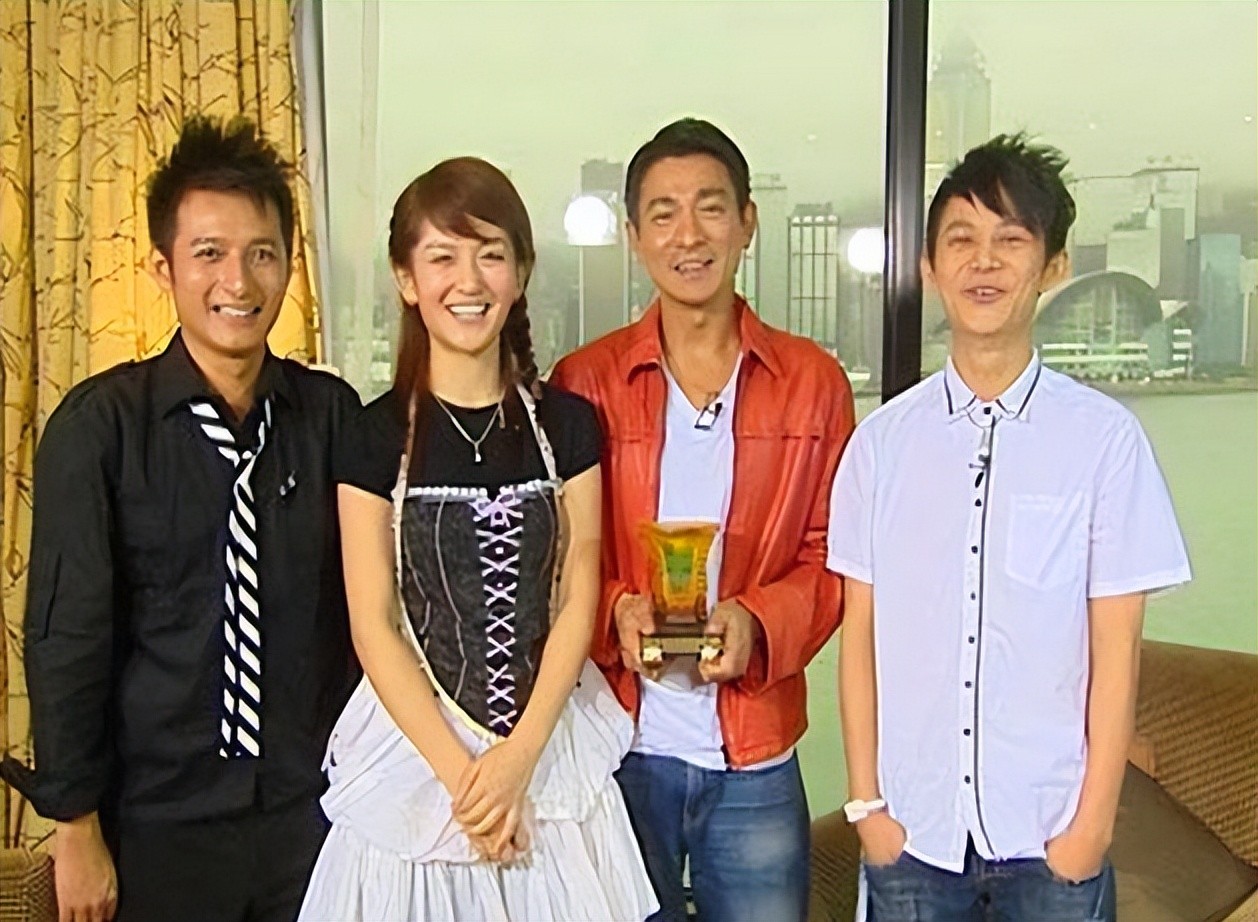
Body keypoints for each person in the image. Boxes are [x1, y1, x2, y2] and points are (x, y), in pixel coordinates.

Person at [0, 115, 373, 922]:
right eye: (209, 253)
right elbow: (67, 641)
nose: (238, 281)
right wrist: (75, 827)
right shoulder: (101, 428)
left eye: (261, 253)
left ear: (288, 264)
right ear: (163, 267)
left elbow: (377, 609)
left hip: (314, 819)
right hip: (154, 827)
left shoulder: (331, 417)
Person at [827, 133, 1192, 920]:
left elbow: (1117, 650)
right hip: (912, 837)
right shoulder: (880, 446)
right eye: (960, 240)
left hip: (1051, 839)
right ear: (929, 268)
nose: (983, 262)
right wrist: (867, 808)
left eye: (1010, 240)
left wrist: (1091, 829)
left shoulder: (1104, 442)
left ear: (1053, 266)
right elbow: (860, 638)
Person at [297, 157, 656, 921]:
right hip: (413, 759)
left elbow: (577, 590)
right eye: (442, 258)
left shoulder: (567, 426)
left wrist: (518, 760)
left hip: (550, 753)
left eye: (491, 254)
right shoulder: (371, 437)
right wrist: (468, 785)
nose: (469, 280)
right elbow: (373, 622)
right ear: (405, 278)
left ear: (520, 273)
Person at [551, 118, 855, 922]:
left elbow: (834, 557)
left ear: (747, 222)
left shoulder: (813, 383)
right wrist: (614, 609)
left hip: (754, 752)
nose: (688, 235)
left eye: (711, 208)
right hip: (615, 743)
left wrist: (759, 622)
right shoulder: (583, 383)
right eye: (663, 213)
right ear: (634, 236)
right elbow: (554, 550)